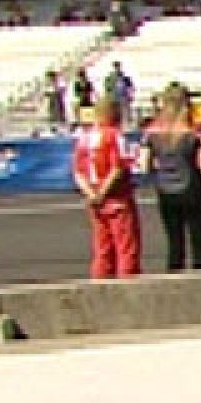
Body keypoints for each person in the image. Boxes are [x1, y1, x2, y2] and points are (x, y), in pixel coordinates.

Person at [140, 83, 201, 271]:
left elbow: (143, 165)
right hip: (191, 187)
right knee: (199, 239)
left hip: (165, 189)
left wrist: (159, 170)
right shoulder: (193, 133)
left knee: (174, 240)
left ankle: (174, 278)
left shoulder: (151, 133)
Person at [72, 95, 142, 278]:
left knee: (103, 249)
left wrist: (91, 194)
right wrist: (103, 192)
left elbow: (78, 172)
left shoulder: (84, 138)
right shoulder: (114, 135)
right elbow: (118, 167)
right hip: (116, 198)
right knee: (126, 248)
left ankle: (99, 286)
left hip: (95, 200)